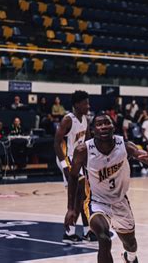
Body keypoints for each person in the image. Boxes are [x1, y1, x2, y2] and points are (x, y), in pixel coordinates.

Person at [64, 114, 148, 263]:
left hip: (120, 202)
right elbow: (73, 176)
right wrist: (71, 208)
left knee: (131, 244)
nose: (103, 127)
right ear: (93, 130)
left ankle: (130, 257)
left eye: (106, 123)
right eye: (99, 124)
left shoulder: (125, 146)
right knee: (103, 237)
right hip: (96, 202)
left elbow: (144, 157)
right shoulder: (83, 150)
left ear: (113, 127)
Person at [54, 91, 93, 243]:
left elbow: (88, 141)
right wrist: (64, 164)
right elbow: (57, 143)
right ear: (77, 104)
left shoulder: (85, 120)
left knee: (83, 195)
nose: (88, 106)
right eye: (85, 103)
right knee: (79, 193)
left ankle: (86, 231)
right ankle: (70, 233)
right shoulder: (67, 120)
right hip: (67, 158)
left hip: (78, 159)